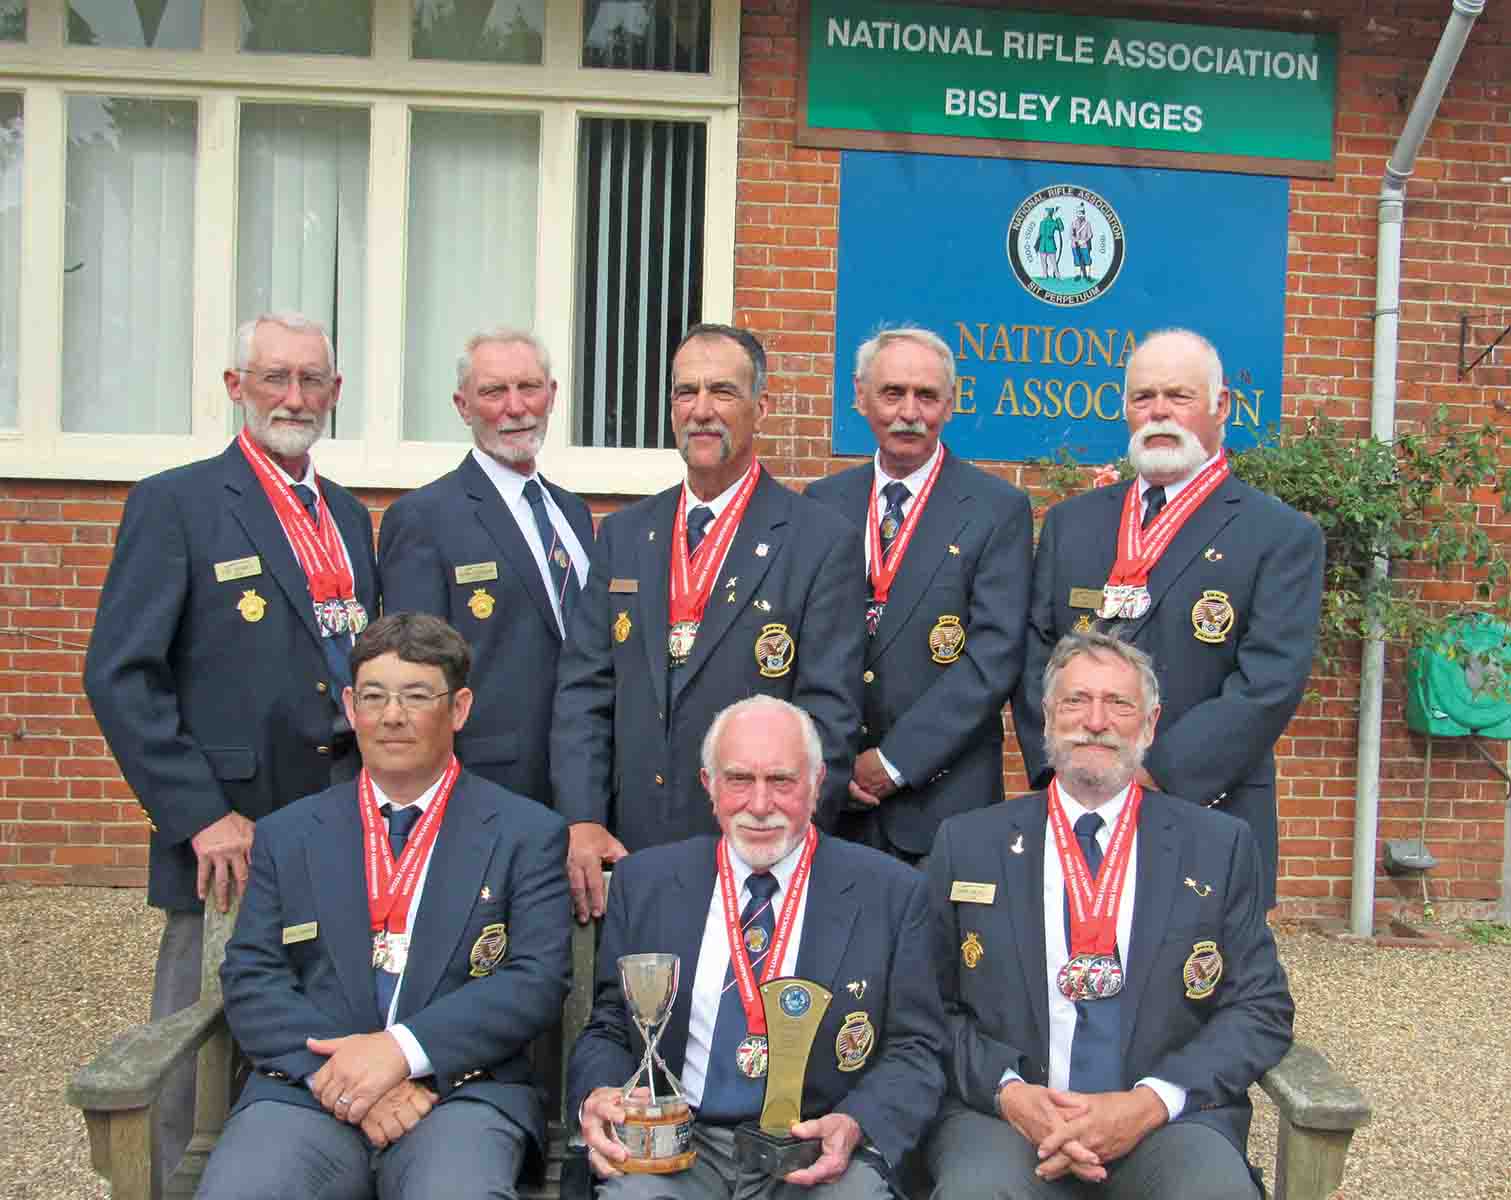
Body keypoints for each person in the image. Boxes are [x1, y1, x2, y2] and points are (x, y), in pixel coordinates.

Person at [83, 312, 380, 1189]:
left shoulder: (350, 518)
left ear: (334, 391)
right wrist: (199, 815)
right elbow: (122, 676)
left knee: (318, 1021)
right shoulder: (175, 502)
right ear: (233, 386)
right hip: (231, 834)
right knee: (196, 1036)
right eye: (274, 378)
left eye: (312, 380)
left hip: (336, 816)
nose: (294, 397)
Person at [195, 613, 571, 1199]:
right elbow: (252, 977)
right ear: (350, 706)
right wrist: (346, 1077)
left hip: (456, 1095)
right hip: (306, 1091)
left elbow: (536, 981)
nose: (392, 715)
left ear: (460, 707)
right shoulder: (289, 834)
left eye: (416, 695)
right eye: (374, 696)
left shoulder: (526, 833)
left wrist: (400, 1053)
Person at [928, 632, 1294, 1199]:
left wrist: (1151, 1102)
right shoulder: (968, 844)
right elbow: (925, 1005)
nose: (1095, 721)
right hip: (1008, 1121)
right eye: (1075, 701)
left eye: (1118, 704)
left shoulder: (1218, 847)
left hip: (1165, 1123)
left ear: (1149, 725)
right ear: (1047, 718)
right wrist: (1009, 1093)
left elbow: (1260, 1009)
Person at [570, 695, 945, 1198]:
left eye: (782, 781)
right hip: (678, 1143)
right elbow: (613, 1025)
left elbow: (917, 1048)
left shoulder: (891, 893)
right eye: (740, 780)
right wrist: (600, 1094)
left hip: (814, 1147)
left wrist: (856, 1122)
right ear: (710, 786)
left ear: (815, 787)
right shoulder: (648, 883)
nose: (761, 805)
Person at [551, 323, 865, 922]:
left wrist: (776, 844)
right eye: (684, 393)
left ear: (761, 407)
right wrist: (582, 818)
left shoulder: (820, 542)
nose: (700, 411)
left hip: (756, 857)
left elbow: (830, 717)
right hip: (629, 854)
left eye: (722, 391)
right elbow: (584, 692)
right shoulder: (623, 536)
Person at [1012, 327, 1324, 909]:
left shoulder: (1279, 536)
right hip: (1075, 803)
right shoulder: (1071, 524)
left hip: (1208, 809)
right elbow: (1037, 656)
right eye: (1143, 397)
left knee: (1199, 988)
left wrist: (1149, 774)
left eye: (1178, 396)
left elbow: (1269, 684)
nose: (1159, 412)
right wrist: (1065, 767)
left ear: (1220, 405)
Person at [806, 327, 1032, 865]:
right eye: (892, 393)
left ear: (950, 405)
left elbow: (994, 659)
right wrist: (832, 762)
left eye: (927, 396)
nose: (909, 411)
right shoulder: (820, 504)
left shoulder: (997, 510)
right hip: (832, 803)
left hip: (941, 806)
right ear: (859, 396)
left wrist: (894, 761)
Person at [378, 328, 593, 803]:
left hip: (581, 781)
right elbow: (416, 677)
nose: (515, 408)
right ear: (463, 406)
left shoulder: (572, 513)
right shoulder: (423, 518)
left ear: (552, 395)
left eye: (529, 388)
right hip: (484, 786)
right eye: (494, 391)